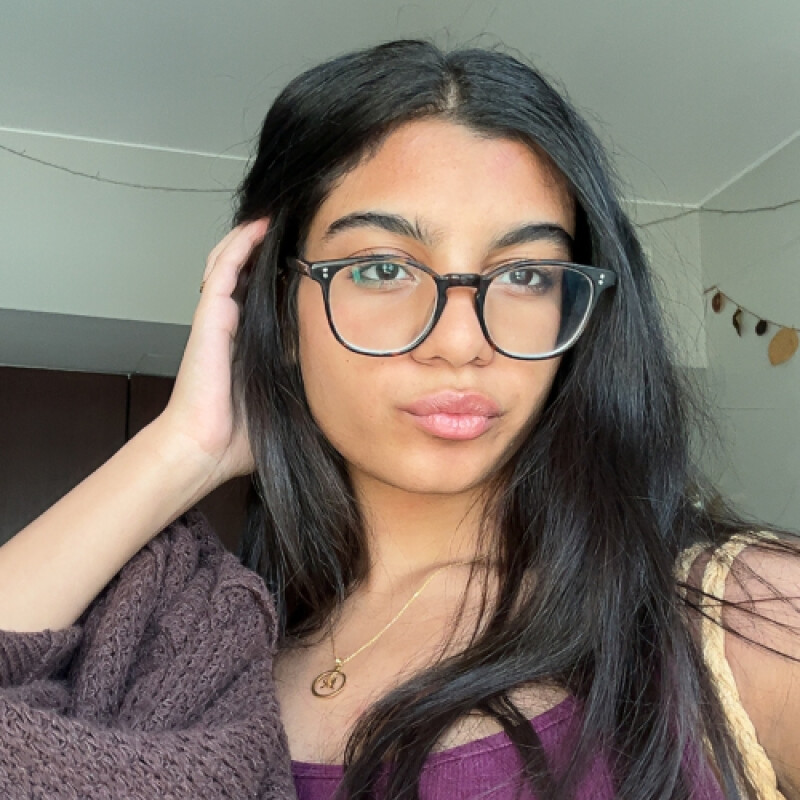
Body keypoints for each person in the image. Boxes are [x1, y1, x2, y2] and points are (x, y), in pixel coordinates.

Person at [1, 39, 798, 800]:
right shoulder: (206, 649)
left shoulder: (747, 615)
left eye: (526, 274)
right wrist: (184, 448)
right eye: (382, 267)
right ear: (281, 305)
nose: (461, 342)